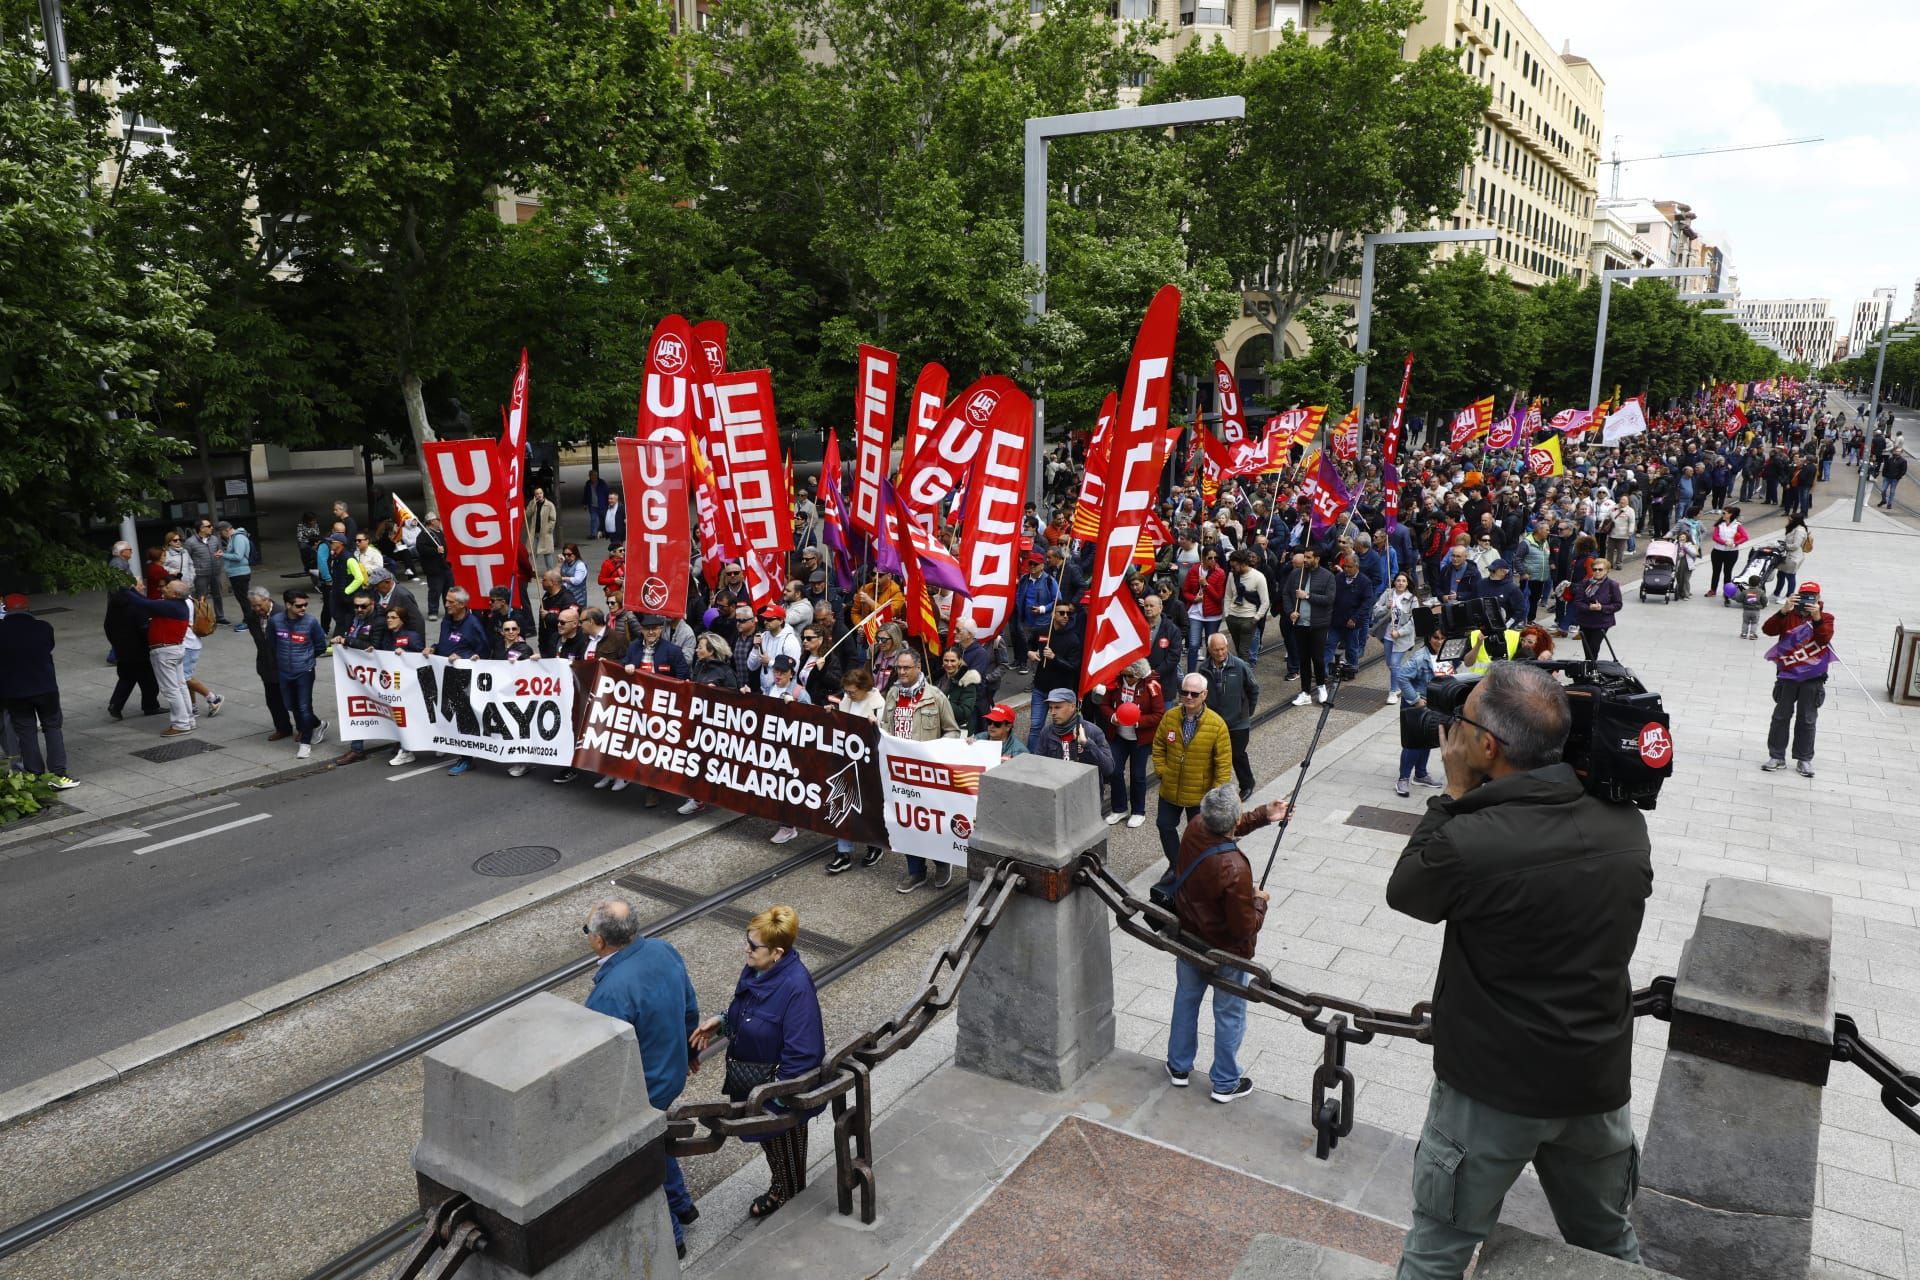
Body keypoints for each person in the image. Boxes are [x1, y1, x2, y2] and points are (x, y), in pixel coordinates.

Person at [1386, 663, 1652, 1278]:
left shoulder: (1472, 840)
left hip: (1491, 1093)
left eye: (1464, 721)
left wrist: (1452, 793)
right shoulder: (1626, 827)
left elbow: (1409, 891)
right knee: (1609, 1243)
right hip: (1594, 1085)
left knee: (1438, 1250)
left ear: (1487, 747)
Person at [688, 905, 825, 1224]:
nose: (746, 949)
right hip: (754, 1082)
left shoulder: (796, 987)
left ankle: (788, 1194)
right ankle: (783, 1185)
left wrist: (774, 1101)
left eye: (753, 946)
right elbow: (747, 1010)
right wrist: (722, 1022)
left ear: (777, 952)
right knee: (770, 1145)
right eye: (747, 941)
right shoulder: (756, 969)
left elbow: (804, 1053)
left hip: (775, 1092)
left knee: (784, 1146)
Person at [580, 899, 701, 1259]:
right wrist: (691, 1053)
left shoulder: (610, 993)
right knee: (657, 1139)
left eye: (588, 931)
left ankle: (674, 1237)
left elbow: (601, 1063)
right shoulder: (664, 950)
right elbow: (689, 1007)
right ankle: (684, 1205)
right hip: (673, 1070)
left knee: (642, 1157)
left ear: (600, 942)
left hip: (644, 1088)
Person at [1165, 785, 1288, 1104]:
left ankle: (1178, 1067)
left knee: (1186, 999)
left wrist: (1264, 814)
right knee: (1229, 1013)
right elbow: (1243, 926)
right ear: (1232, 820)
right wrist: (1260, 902)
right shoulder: (1234, 867)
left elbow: (1225, 826)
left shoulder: (1194, 828)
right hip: (1226, 952)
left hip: (1190, 935)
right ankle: (1225, 1081)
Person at [886, 649, 961, 894]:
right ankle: (915, 871)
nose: (902, 672)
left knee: (930, 820)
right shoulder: (893, 695)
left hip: (927, 774)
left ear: (919, 667)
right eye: (899, 668)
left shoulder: (935, 696)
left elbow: (952, 730)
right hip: (900, 773)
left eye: (907, 668)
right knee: (906, 822)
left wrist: (936, 752)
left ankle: (941, 863)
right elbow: (886, 726)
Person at [1150, 673, 1232, 866]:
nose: (1188, 697)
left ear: (1204, 695)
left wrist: (1215, 794)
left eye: (1194, 694)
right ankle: (1176, 864)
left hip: (1200, 793)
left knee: (1198, 834)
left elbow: (1223, 763)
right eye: (1184, 692)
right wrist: (1162, 771)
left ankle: (1195, 867)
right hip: (1171, 788)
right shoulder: (1170, 717)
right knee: (1164, 825)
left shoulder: (1217, 724)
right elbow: (1159, 745)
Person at [0, 596, 77, 789]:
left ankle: (35, 775)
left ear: (5, 608)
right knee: (52, 728)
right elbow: (48, 646)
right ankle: (58, 774)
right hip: (45, 687)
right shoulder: (43, 627)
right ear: (28, 607)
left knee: (26, 732)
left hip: (14, 691)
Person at [1760, 581, 1834, 779]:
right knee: (1780, 717)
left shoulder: (1826, 617)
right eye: (1804, 595)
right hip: (1788, 676)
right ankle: (1776, 756)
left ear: (1819, 598)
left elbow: (1824, 639)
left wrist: (1817, 618)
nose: (1808, 599)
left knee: (1807, 719)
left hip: (1813, 678)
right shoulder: (1789, 614)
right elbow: (1768, 630)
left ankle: (1804, 759)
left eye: (1812, 596)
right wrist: (1783, 611)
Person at [824, 665, 887, 874]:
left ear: (865, 688)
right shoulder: (847, 700)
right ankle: (843, 852)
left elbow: (886, 734)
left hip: (870, 765)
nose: (849, 695)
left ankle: (874, 846)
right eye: (847, 692)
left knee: (869, 808)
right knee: (843, 804)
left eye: (852, 691)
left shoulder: (879, 705)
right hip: (848, 763)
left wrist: (876, 725)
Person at [1088, 659, 1162, 828]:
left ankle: (1138, 811)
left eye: (1131, 676)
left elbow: (1159, 714)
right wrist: (1112, 717)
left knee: (1137, 775)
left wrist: (1137, 721)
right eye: (1125, 674)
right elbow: (1104, 704)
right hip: (1118, 736)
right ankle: (1119, 808)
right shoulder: (1115, 682)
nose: (1127, 679)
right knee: (1114, 771)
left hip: (1140, 739)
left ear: (1140, 674)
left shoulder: (1152, 686)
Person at [122, 580, 197, 737]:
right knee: (180, 686)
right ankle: (188, 720)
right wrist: (133, 590)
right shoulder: (178, 605)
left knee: (171, 689)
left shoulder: (170, 606)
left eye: (167, 588)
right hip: (175, 649)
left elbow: (143, 604)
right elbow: (147, 602)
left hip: (165, 651)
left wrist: (126, 590)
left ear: (175, 594)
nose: (163, 588)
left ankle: (181, 724)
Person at [1196, 632, 1260, 797]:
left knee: (1237, 755)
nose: (1220, 653)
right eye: (1216, 650)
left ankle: (1247, 784)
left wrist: (1246, 711)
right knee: (1213, 755)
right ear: (1209, 650)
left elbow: (1253, 689)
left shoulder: (1240, 666)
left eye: (1223, 649)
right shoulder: (1203, 669)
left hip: (1238, 722)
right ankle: (1214, 788)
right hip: (1214, 722)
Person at [269, 588, 330, 759]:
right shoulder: (276, 621)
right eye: (299, 606)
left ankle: (305, 742)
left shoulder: (311, 622)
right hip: (284, 671)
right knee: (290, 705)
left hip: (304, 671)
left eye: (305, 605)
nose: (303, 608)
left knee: (304, 707)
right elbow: (272, 643)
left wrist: (307, 659)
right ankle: (318, 724)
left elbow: (320, 645)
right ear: (288, 605)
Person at [1392, 629, 1446, 797]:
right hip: (1415, 705)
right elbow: (1402, 677)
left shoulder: (1446, 654)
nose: (1439, 641)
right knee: (1413, 743)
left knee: (1428, 740)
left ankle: (1421, 774)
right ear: (1428, 638)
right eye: (1435, 637)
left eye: (1443, 638)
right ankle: (1403, 778)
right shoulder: (1420, 657)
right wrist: (1416, 700)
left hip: (1433, 704)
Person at [1281, 548, 1334, 704]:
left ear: (1317, 559)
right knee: (1303, 659)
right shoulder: (1296, 574)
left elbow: (1329, 599)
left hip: (1318, 624)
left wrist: (1308, 596)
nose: (1305, 560)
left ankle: (1321, 686)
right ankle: (1305, 692)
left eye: (1309, 557)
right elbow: (1286, 594)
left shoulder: (1328, 576)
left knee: (1317, 658)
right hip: (1300, 623)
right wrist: (1290, 611)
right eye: (1304, 557)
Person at [104, 585, 161, 721]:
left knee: (126, 678)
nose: (143, 586)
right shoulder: (138, 604)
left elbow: (107, 626)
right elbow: (144, 628)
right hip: (140, 649)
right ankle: (150, 706)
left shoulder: (114, 604)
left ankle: (115, 705)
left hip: (122, 648)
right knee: (148, 680)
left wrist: (115, 643)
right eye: (140, 584)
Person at [1373, 572, 1418, 705]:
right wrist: (1386, 607)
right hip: (1388, 635)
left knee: (1394, 663)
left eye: (1403, 581)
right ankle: (1402, 680)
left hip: (1402, 638)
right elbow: (1375, 610)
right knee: (1390, 663)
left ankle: (1393, 691)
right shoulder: (1388, 594)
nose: (1400, 583)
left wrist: (1400, 633)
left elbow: (1414, 620)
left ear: (1407, 583)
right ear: (1394, 582)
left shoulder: (1412, 599)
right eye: (1398, 580)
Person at [1574, 558, 1621, 661]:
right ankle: (1589, 669)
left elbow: (1618, 605)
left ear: (1607, 570)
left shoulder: (1612, 585)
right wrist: (1589, 607)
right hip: (1585, 621)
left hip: (1602, 623)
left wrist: (1602, 608)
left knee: (1594, 648)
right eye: (1594, 569)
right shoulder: (1585, 583)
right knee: (1587, 649)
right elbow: (1577, 602)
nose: (1597, 572)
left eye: (1600, 569)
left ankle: (1592, 670)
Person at [217, 521, 254, 631]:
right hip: (236, 573)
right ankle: (247, 619)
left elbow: (238, 556)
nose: (222, 536)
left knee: (244, 599)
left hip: (240, 573)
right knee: (242, 598)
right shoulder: (234, 538)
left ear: (226, 530)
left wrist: (223, 555)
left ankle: (249, 621)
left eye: (221, 533)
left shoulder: (238, 538)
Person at [936, 647, 981, 730]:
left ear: (959, 661)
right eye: (946, 660)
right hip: (938, 728)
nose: (949, 664)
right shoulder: (936, 677)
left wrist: (942, 701)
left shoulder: (967, 681)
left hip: (958, 730)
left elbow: (964, 713)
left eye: (953, 661)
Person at [1707, 507, 1747, 597]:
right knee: (1716, 572)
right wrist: (1725, 542)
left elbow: (1745, 537)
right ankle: (1713, 590)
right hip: (1717, 551)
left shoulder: (1737, 525)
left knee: (1727, 572)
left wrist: (1735, 543)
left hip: (1731, 552)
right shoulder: (1720, 524)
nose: (1722, 515)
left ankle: (1727, 591)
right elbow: (1715, 537)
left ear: (1730, 514)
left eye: (1724, 513)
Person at [525, 487, 559, 576]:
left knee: (547, 553)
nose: (539, 495)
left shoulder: (549, 505)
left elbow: (553, 519)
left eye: (540, 493)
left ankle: (550, 571)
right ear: (534, 495)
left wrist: (549, 529)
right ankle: (532, 570)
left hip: (545, 533)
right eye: (537, 494)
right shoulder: (533, 503)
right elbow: (527, 514)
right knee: (532, 552)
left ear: (543, 494)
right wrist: (533, 504)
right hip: (534, 533)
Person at [583, 469, 610, 538]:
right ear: (589, 476)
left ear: (596, 476)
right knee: (593, 519)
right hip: (592, 505)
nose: (593, 477)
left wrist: (609, 502)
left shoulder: (602, 483)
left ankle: (605, 533)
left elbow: (607, 493)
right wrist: (585, 504)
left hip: (602, 505)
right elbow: (586, 494)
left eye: (594, 476)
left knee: (603, 520)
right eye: (591, 476)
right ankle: (594, 534)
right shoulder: (588, 483)